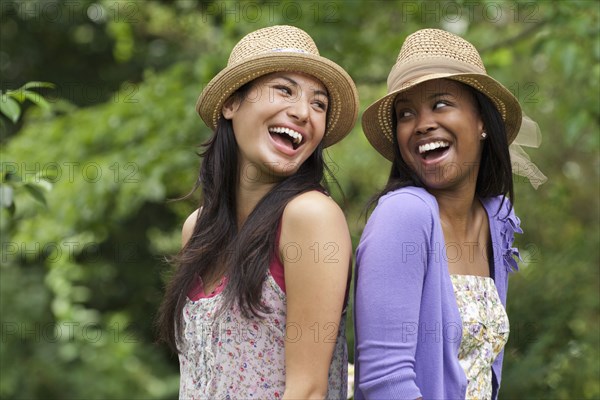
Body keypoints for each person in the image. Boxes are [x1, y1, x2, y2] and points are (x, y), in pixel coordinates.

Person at [156, 25, 359, 399]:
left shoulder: (311, 217)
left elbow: (308, 390)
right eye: (284, 90)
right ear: (231, 104)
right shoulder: (197, 229)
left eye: (319, 104)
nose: (302, 112)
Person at [353, 29, 545, 400]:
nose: (422, 123)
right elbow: (386, 382)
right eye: (406, 113)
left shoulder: (495, 220)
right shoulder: (404, 215)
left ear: (482, 121)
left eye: (441, 104)